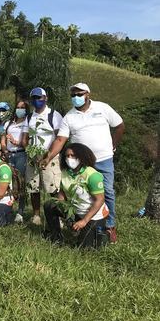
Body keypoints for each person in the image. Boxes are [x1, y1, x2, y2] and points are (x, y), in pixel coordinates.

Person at [41, 83, 125, 242]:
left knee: (107, 192)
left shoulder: (103, 108)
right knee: (79, 190)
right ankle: (79, 220)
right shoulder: (69, 117)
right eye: (73, 95)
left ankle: (109, 226)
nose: (76, 98)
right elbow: (60, 139)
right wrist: (49, 156)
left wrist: (113, 144)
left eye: (79, 94)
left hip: (104, 158)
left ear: (88, 94)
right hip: (82, 163)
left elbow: (119, 126)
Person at [43, 143, 109, 248]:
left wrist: (84, 221)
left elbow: (99, 200)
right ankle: (56, 237)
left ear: (81, 156)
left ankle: (104, 232)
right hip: (75, 211)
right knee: (50, 205)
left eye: (73, 155)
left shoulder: (92, 175)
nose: (69, 158)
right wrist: (62, 207)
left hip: (93, 215)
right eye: (67, 156)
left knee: (85, 249)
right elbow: (62, 193)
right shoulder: (65, 172)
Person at [23, 87, 63, 226]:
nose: (37, 100)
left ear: (45, 98)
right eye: (34, 98)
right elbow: (24, 138)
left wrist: (48, 155)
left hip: (50, 156)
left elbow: (60, 138)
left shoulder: (54, 115)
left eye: (39, 97)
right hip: (33, 156)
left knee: (53, 187)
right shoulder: (29, 117)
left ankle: (60, 216)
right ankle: (36, 215)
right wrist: (30, 152)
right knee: (33, 187)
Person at [1, 100, 29, 223]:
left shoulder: (27, 123)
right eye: (18, 107)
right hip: (9, 155)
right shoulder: (8, 123)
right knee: (8, 183)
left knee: (20, 182)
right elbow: (3, 139)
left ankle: (20, 211)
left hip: (21, 155)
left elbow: (26, 142)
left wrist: (14, 142)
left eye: (22, 107)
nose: (20, 109)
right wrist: (4, 150)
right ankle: (8, 208)